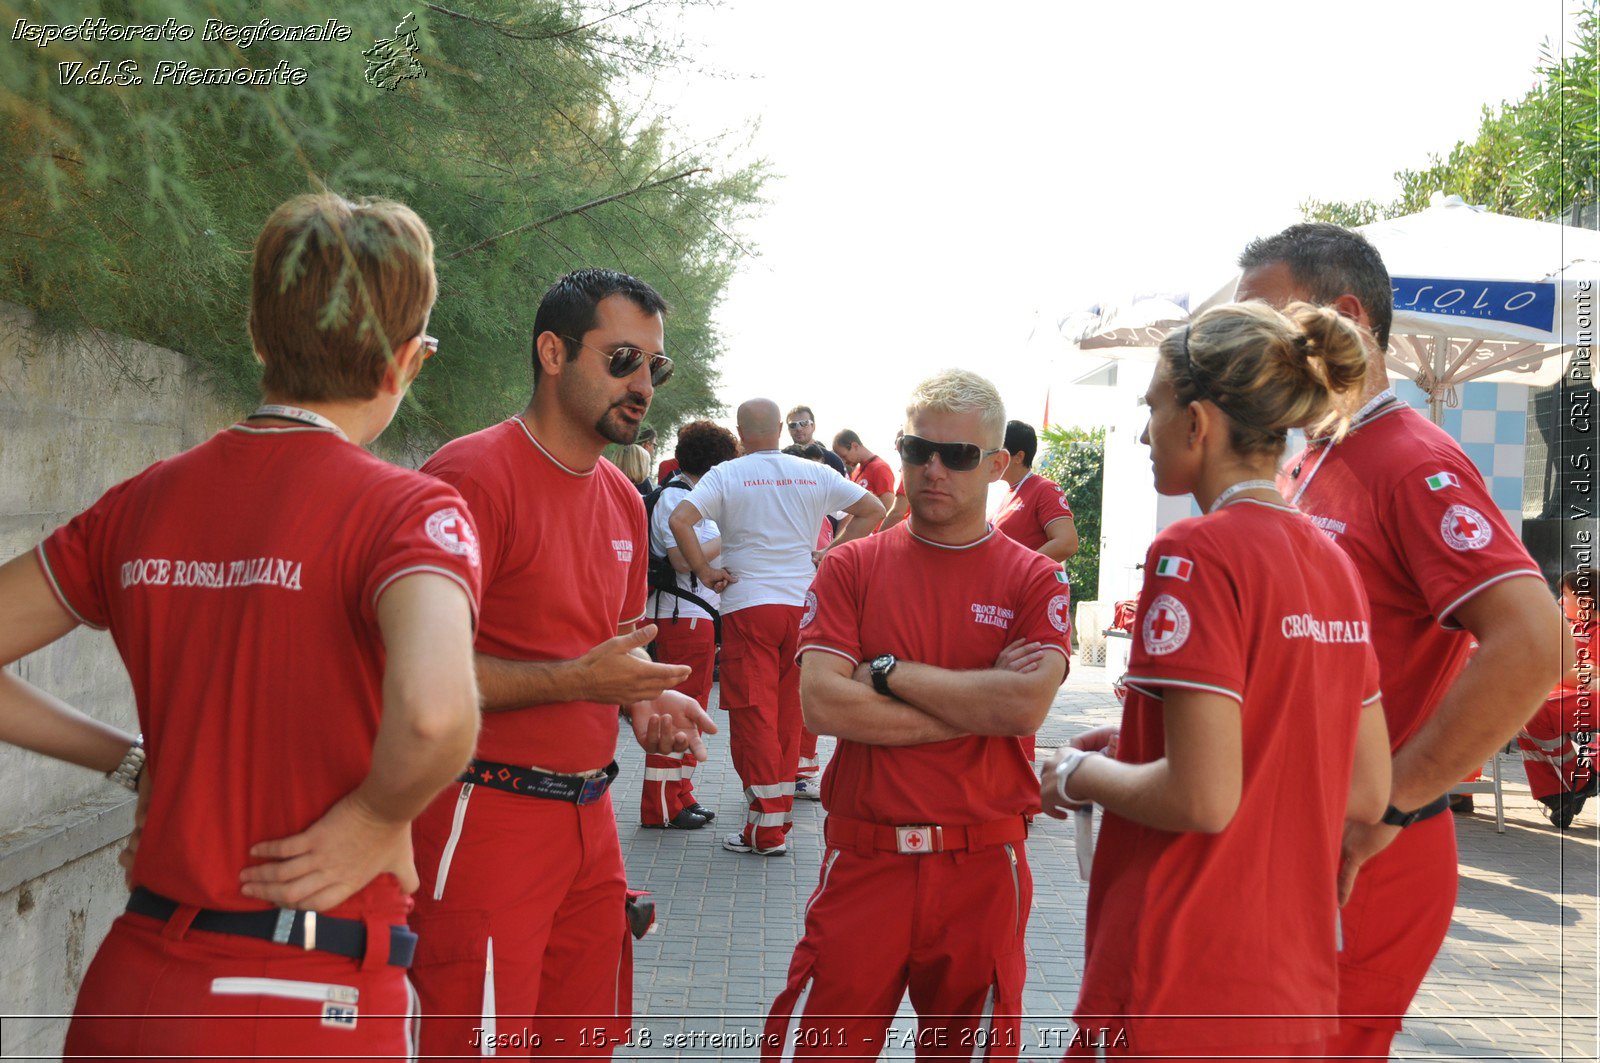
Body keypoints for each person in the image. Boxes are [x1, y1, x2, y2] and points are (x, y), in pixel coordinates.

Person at [0, 193, 482, 1058]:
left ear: (257, 336)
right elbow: (438, 714)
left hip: (133, 981)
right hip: (301, 989)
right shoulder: (408, 512)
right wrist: (377, 814)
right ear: (407, 362)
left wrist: (131, 760)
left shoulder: (142, 501)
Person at [1237, 222, 1562, 1059]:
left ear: (1341, 318)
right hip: (1302, 841)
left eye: (1262, 327)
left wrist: (1396, 800)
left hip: (1367, 854)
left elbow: (1533, 643)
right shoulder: (1313, 458)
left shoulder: (1413, 460)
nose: (1241, 356)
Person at [1044, 301, 1393, 1059]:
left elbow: (1202, 797)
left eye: (1154, 409)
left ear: (1198, 423)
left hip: (1176, 977)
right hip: (1289, 990)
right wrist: (1138, 742)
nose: (1144, 433)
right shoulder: (1332, 562)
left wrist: (1081, 773)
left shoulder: (1194, 551)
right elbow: (1366, 788)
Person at [409, 268, 717, 1059]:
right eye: (623, 359)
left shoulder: (620, 496)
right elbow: (415, 673)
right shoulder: (471, 477)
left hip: (591, 824)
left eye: (656, 366)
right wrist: (585, 681)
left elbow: (612, 649)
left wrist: (644, 708)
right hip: (483, 815)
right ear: (553, 351)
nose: (644, 384)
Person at [763, 370, 1068, 1060]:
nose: (932, 469)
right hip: (865, 858)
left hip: (984, 866)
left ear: (996, 465)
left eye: (956, 456)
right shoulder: (850, 568)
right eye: (915, 449)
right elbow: (823, 702)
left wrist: (892, 675)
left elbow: (1024, 704)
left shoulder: (1034, 578)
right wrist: (979, 700)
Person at [670, 399, 885, 855]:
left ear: (740, 432)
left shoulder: (726, 474)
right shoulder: (814, 471)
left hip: (749, 605)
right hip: (803, 606)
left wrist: (706, 574)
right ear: (779, 429)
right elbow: (873, 508)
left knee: (755, 714)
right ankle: (776, 821)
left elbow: (680, 520)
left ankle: (764, 830)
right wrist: (833, 553)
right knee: (789, 714)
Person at [642, 420, 739, 829]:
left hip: (693, 615)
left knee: (690, 709)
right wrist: (730, 536)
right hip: (682, 615)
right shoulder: (675, 499)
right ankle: (661, 805)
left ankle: (680, 794)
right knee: (675, 712)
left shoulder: (692, 498)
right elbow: (683, 560)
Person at [782, 441, 839, 800]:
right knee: (793, 699)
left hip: (812, 614)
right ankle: (791, 771)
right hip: (793, 611)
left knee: (803, 697)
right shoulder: (800, 515)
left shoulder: (826, 519)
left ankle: (798, 769)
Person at [1517, 570, 1597, 827]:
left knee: (1534, 710)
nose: (1560, 602)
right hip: (1580, 695)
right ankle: (1565, 788)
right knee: (1522, 709)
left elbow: (1589, 675)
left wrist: (1546, 672)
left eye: (1564, 595)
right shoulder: (1573, 627)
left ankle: (1576, 783)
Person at [995, 420, 1079, 563]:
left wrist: (1020, 567)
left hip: (1026, 584)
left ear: (1019, 457)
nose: (993, 458)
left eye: (998, 451)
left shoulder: (1045, 489)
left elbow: (1067, 543)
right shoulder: (1011, 492)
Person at [832, 429, 897, 516]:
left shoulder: (880, 468)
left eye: (844, 456)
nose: (843, 461)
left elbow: (887, 507)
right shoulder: (856, 471)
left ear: (855, 446)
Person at [787, 404, 849, 477]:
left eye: (804, 423)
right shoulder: (784, 459)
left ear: (813, 426)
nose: (798, 429)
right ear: (788, 429)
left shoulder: (832, 460)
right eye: (793, 425)